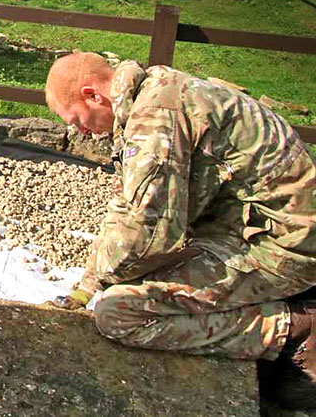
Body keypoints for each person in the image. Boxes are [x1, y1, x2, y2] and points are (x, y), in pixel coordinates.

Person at [45, 52, 316, 381]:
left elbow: (151, 231)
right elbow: (128, 205)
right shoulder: (152, 93)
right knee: (126, 278)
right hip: (261, 226)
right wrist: (89, 283)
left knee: (119, 312)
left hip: (286, 247)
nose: (82, 132)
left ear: (92, 95)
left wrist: (107, 280)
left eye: (76, 120)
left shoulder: (155, 118)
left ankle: (294, 327)